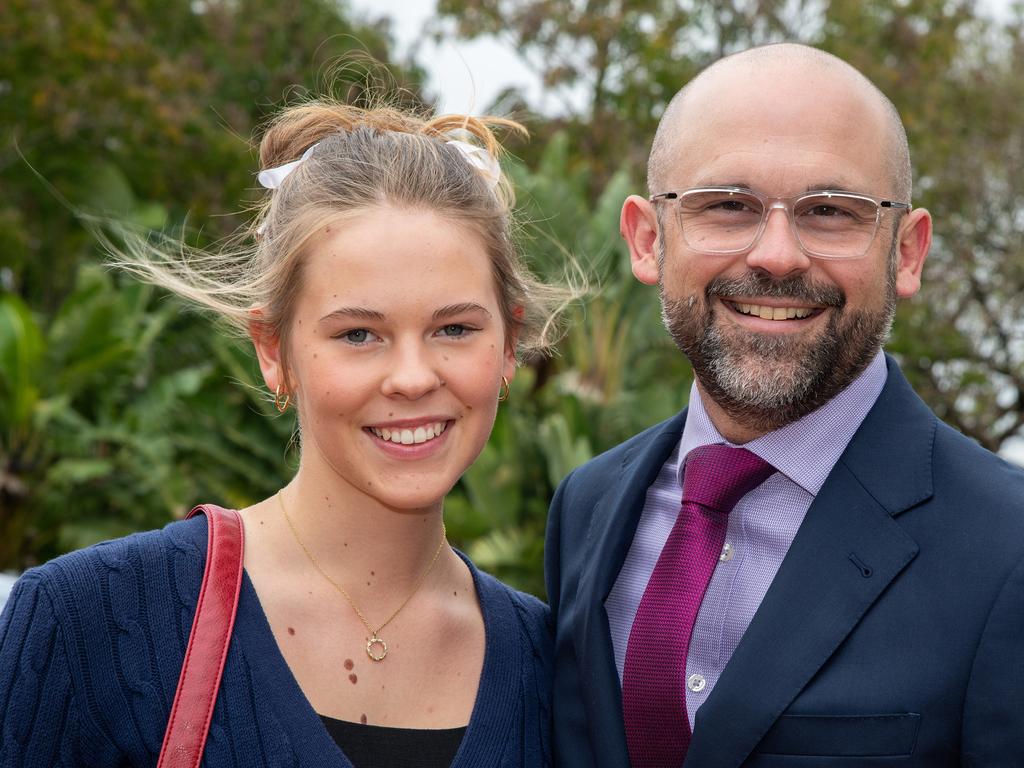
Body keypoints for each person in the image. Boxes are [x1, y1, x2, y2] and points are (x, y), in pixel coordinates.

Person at [0, 99, 564, 767]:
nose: (412, 377)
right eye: (359, 334)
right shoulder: (86, 624)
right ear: (273, 349)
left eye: (454, 329)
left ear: (509, 345)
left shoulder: (555, 670)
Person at [545, 42, 1024, 767]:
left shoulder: (1008, 548)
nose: (775, 255)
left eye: (831, 211)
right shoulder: (587, 507)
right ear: (648, 239)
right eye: (728, 205)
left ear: (907, 252)